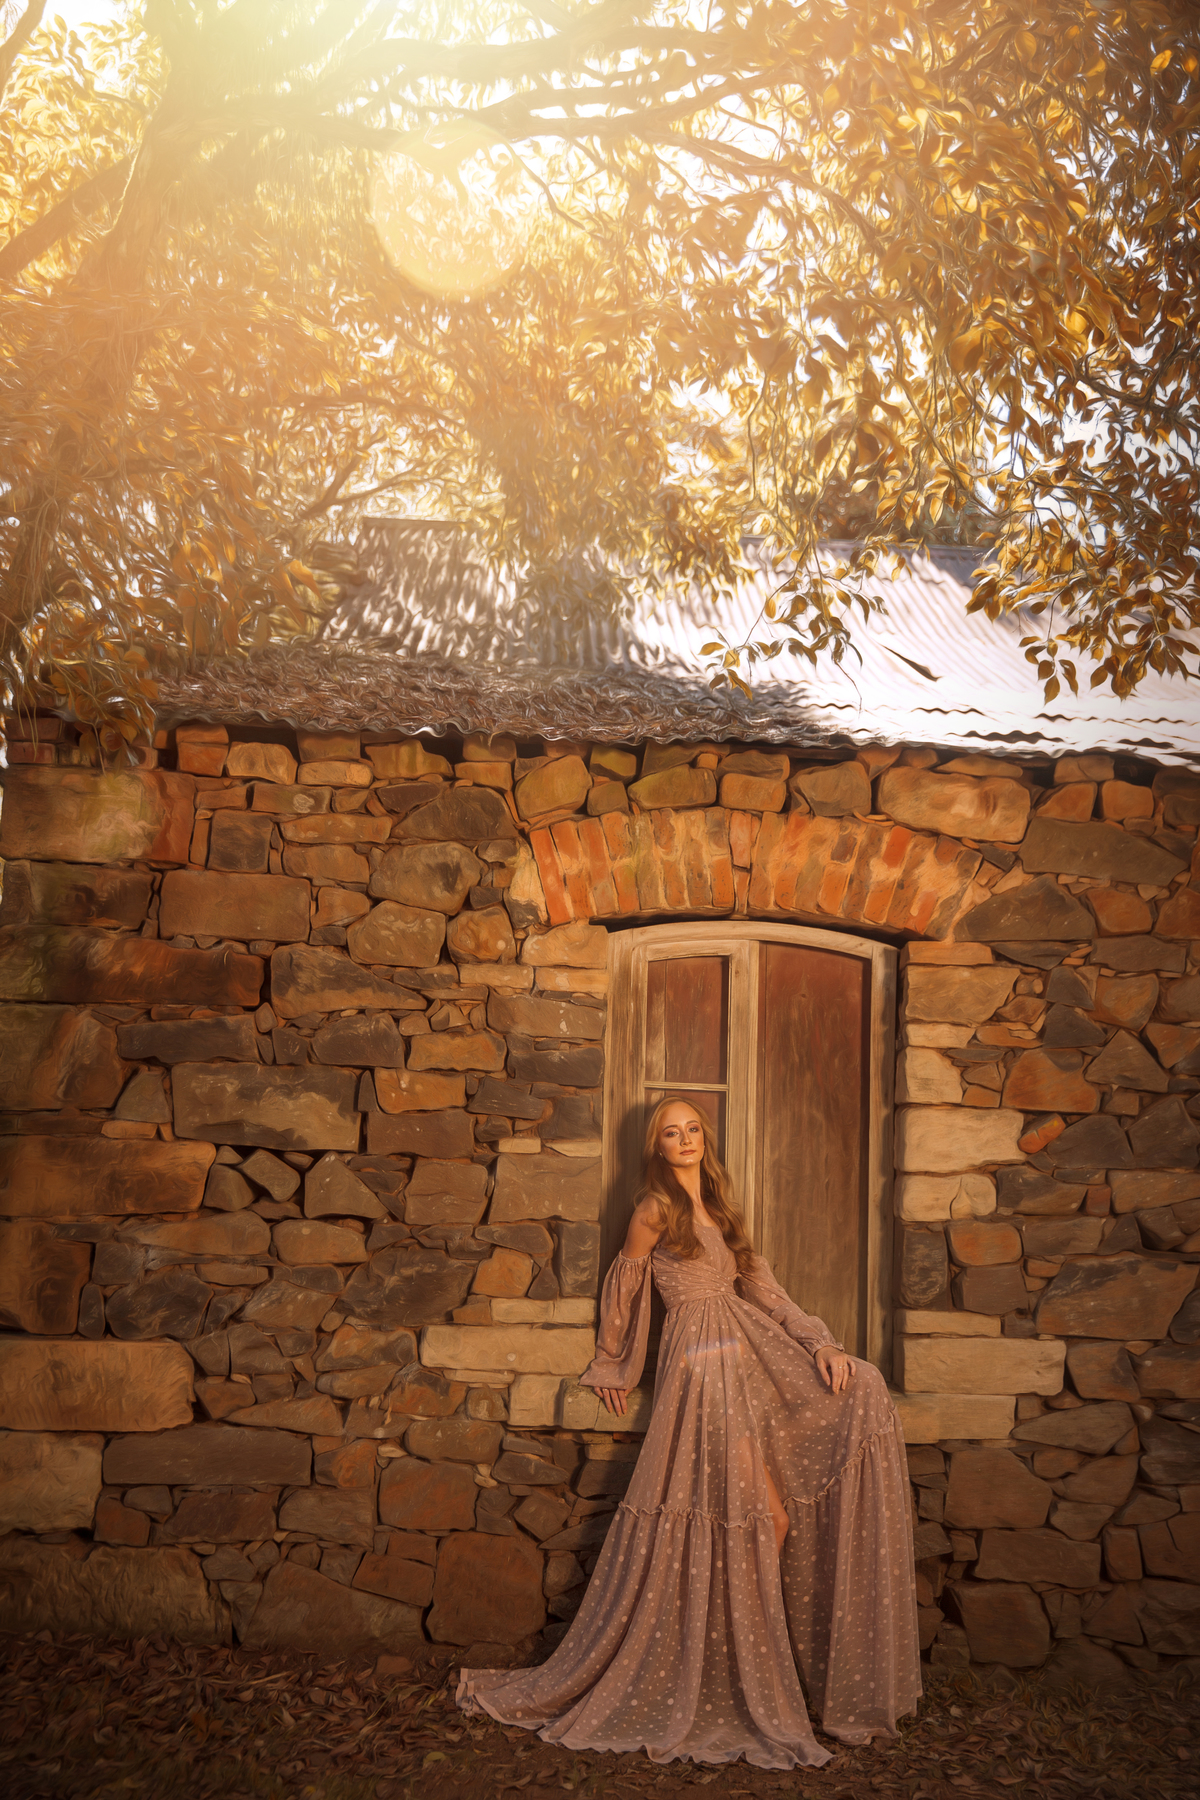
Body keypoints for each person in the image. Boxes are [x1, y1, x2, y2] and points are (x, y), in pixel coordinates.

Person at [456, 1095, 921, 1769]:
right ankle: (726, 1676)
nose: (685, 1140)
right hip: (701, 1360)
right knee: (759, 1515)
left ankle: (750, 1668)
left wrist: (820, 1342)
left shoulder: (722, 1210)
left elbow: (767, 1292)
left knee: (846, 1413)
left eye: (693, 1129)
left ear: (704, 1137)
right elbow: (626, 1283)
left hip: (746, 1348)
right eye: (672, 1133)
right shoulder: (654, 1209)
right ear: (657, 1145)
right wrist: (614, 1361)